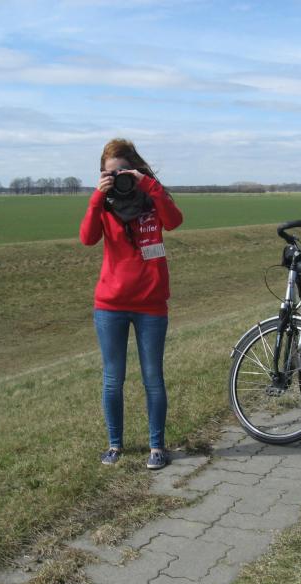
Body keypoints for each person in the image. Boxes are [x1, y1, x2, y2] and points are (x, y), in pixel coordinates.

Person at [79, 139, 183, 470]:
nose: (118, 177)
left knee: (153, 377)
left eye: (123, 171)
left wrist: (147, 184)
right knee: (113, 378)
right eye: (110, 173)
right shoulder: (104, 204)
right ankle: (114, 445)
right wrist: (97, 196)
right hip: (110, 304)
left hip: (151, 304)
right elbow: (87, 238)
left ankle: (156, 447)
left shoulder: (152, 198)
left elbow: (174, 221)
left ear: (134, 168)